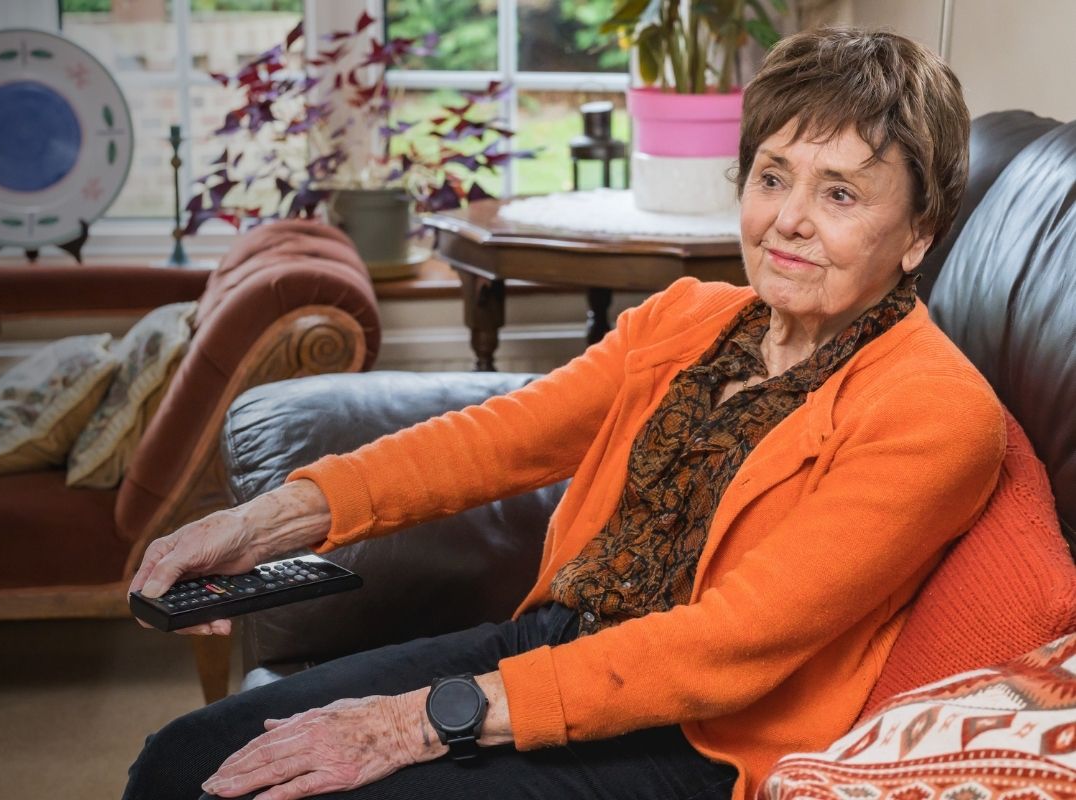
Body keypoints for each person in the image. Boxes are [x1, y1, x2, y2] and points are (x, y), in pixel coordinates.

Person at [122, 26, 1003, 800]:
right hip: (553, 646)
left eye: (840, 194)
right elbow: (495, 438)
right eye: (773, 176)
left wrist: (421, 722)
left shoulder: (935, 410)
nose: (788, 222)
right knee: (187, 757)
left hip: (693, 739)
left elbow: (728, 646)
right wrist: (265, 522)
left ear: (919, 233)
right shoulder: (687, 318)